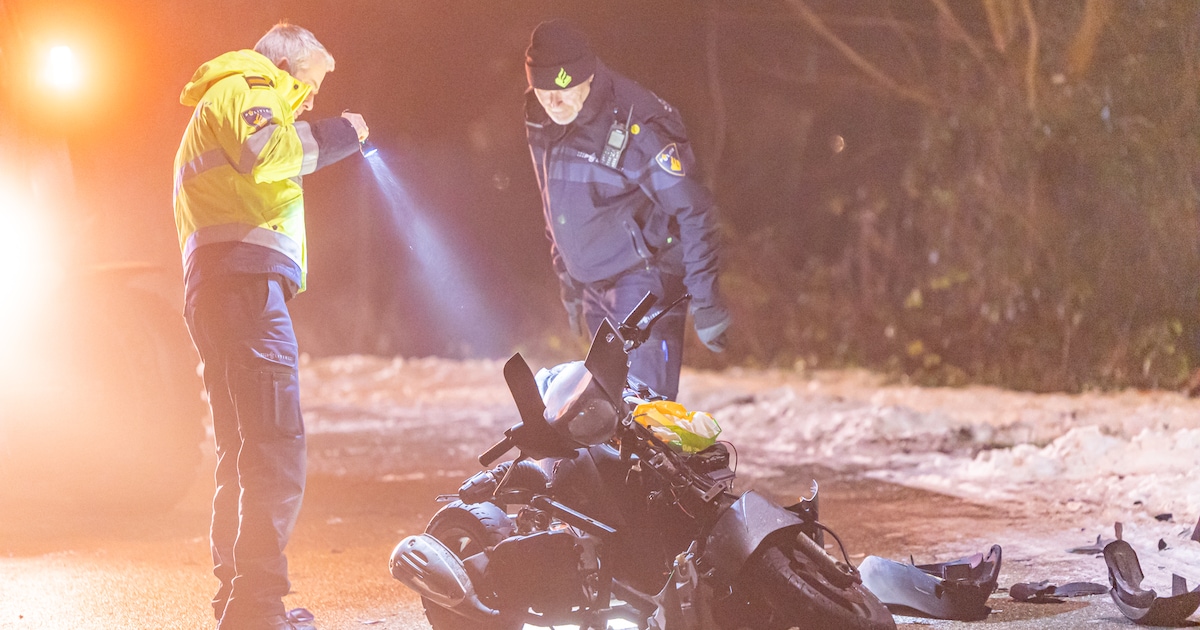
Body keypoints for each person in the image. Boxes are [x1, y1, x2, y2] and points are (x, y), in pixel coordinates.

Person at [172, 22, 368, 630]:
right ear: (285, 65)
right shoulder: (252, 83)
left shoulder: (222, 95)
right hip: (246, 287)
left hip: (218, 286)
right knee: (274, 447)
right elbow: (270, 153)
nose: (310, 101)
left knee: (241, 449)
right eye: (308, 85)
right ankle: (256, 606)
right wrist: (346, 133)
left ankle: (238, 599)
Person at [523, 19, 730, 401]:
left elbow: (694, 208)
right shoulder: (541, 117)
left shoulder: (637, 122)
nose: (552, 103)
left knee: (643, 413)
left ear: (584, 76)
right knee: (601, 414)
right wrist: (568, 280)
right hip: (593, 285)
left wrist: (706, 300)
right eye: (541, 90)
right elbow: (556, 204)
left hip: (643, 283)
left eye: (562, 90)